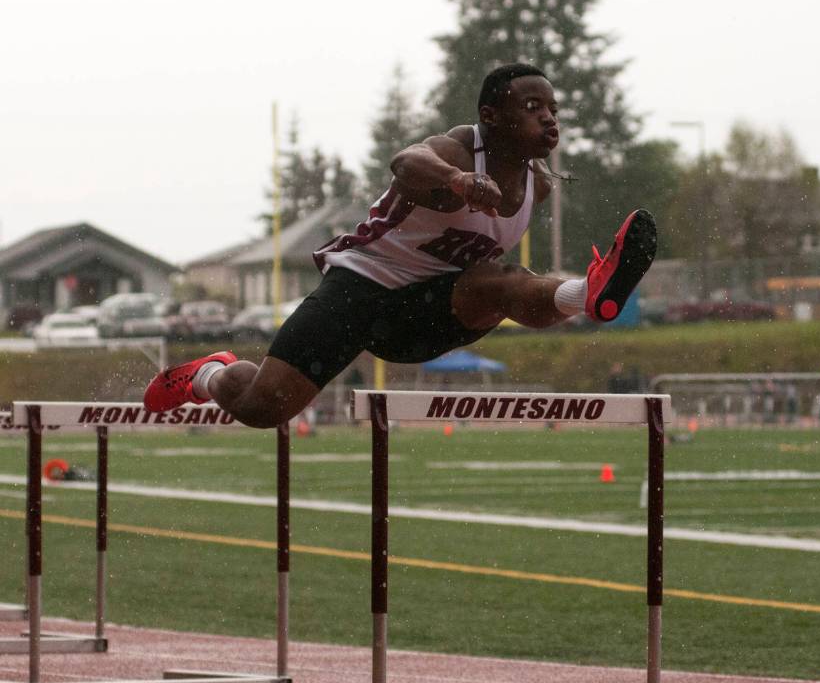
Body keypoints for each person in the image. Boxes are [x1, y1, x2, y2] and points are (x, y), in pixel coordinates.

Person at [144, 63, 658, 427]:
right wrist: (459, 182)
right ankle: (209, 373)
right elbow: (406, 164)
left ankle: (589, 295)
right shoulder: (457, 148)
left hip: (432, 312)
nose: (550, 119)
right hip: (361, 292)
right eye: (532, 107)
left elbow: (510, 294)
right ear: (492, 116)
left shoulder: (539, 185)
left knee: (502, 282)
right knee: (263, 409)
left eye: (553, 108)